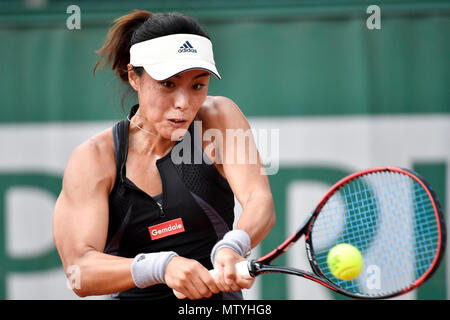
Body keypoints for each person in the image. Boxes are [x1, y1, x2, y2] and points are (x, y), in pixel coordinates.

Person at [53, 10, 276, 300]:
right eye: (168, 84)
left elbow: (260, 201)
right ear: (134, 77)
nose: (183, 103)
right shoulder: (94, 158)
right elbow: (79, 272)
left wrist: (232, 245)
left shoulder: (218, 117)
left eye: (198, 85)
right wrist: (160, 266)